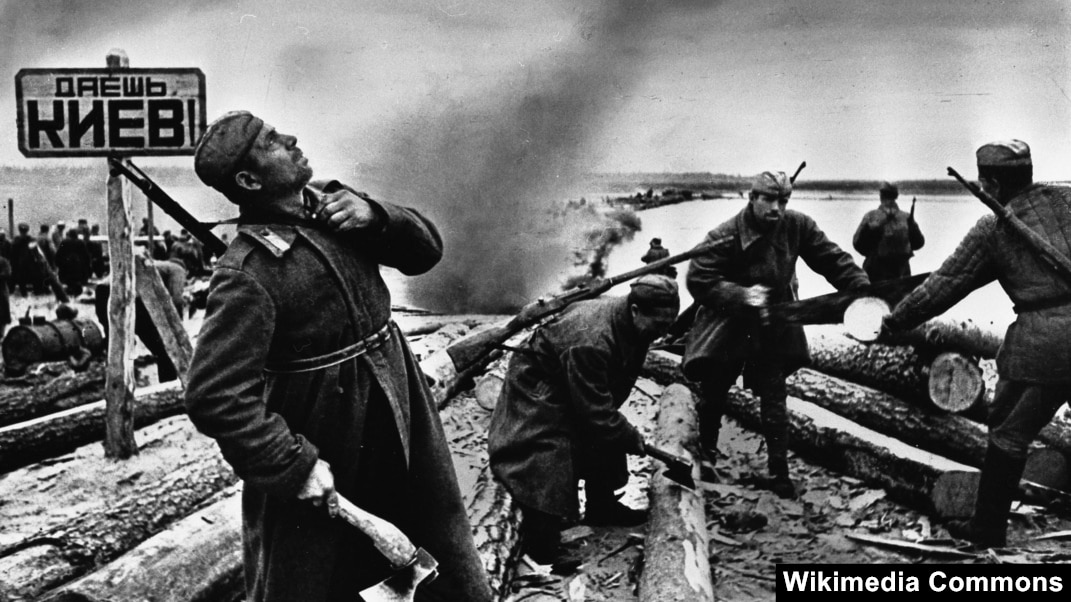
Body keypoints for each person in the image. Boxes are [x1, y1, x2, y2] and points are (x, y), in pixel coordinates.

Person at [183, 110, 492, 602]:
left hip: (401, 409)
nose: (291, 138)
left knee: (437, 545)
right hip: (328, 434)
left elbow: (426, 252)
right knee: (323, 573)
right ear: (248, 180)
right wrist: (292, 464)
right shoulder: (246, 272)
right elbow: (214, 395)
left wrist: (377, 216)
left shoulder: (339, 208)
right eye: (272, 142)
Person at [882, 139, 1071, 548]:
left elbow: (942, 287)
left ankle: (987, 531)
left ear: (991, 185)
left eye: (985, 183)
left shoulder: (992, 230)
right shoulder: (1067, 201)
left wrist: (893, 321)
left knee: (1008, 432)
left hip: (1045, 346)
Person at [682, 170, 870, 499]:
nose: (776, 208)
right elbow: (698, 277)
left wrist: (864, 291)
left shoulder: (798, 226)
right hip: (730, 323)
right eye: (769, 200)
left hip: (773, 323)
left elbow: (833, 260)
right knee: (714, 391)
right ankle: (706, 455)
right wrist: (740, 294)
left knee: (774, 395)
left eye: (783, 201)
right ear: (752, 198)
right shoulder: (726, 234)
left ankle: (779, 473)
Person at [488, 274, 680, 573]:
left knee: (606, 434)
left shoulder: (631, 321)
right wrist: (631, 437)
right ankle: (542, 548)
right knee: (547, 454)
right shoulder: (593, 340)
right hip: (540, 387)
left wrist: (616, 429)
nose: (662, 333)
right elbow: (596, 413)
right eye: (658, 325)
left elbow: (600, 405)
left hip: (571, 376)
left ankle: (602, 507)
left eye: (668, 324)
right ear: (635, 310)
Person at [94, 253, 187, 383]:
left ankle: (114, 383)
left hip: (102, 292)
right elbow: (176, 299)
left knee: (116, 346)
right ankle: (168, 384)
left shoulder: (158, 265)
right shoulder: (177, 269)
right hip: (127, 294)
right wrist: (176, 325)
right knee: (163, 348)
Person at [852, 181, 925, 281]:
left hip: (875, 273)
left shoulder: (871, 216)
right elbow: (919, 243)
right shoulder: (906, 217)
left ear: (881, 196)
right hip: (902, 273)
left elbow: (857, 244)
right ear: (896, 196)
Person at [55, 228, 92, 296]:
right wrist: (87, 266)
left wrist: (59, 264)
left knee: (69, 283)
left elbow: (59, 255)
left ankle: (70, 292)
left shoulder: (64, 242)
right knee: (77, 283)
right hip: (78, 267)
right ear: (76, 235)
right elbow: (86, 255)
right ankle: (76, 293)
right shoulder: (80, 242)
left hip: (66, 267)